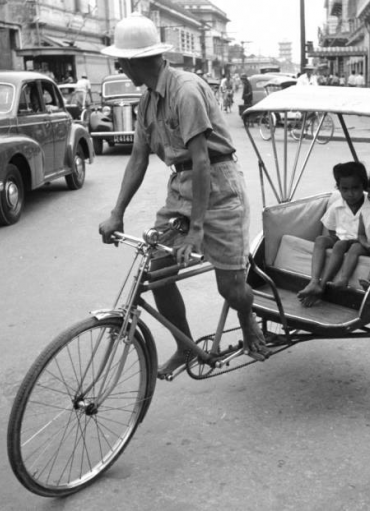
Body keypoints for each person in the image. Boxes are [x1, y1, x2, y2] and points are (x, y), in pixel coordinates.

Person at [98, 13, 268, 377]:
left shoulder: (185, 91)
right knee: (159, 271)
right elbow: (138, 159)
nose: (120, 68)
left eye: (121, 62)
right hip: (181, 189)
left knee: (231, 288)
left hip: (219, 187)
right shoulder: (147, 101)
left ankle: (248, 319)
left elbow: (202, 161)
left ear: (133, 61)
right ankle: (186, 347)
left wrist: (197, 230)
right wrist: (117, 212)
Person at [297, 161, 370, 307]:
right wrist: (337, 239)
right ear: (338, 188)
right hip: (341, 239)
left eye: (355, 188)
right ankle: (314, 281)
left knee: (340, 244)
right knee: (321, 240)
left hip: (360, 243)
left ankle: (322, 285)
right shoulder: (336, 206)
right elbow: (332, 230)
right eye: (345, 189)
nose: (350, 194)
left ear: (363, 186)